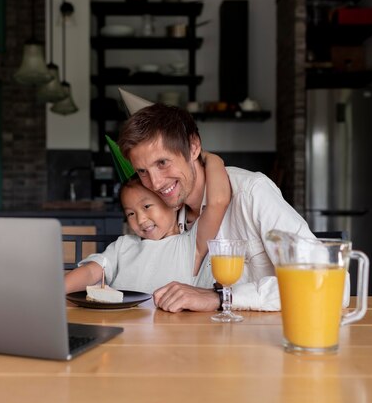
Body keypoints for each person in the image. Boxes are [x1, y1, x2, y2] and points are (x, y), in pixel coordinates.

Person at [117, 103, 343, 312]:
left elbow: (324, 281)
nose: (155, 183)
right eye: (143, 171)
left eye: (162, 163)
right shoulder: (162, 218)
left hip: (263, 343)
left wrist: (221, 298)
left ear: (194, 147)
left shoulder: (251, 193)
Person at [64, 152, 230, 295]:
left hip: (174, 329)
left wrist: (212, 158)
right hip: (125, 327)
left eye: (147, 206)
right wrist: (57, 290)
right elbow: (91, 271)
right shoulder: (124, 246)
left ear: (174, 203)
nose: (141, 220)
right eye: (130, 213)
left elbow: (218, 201)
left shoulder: (192, 244)